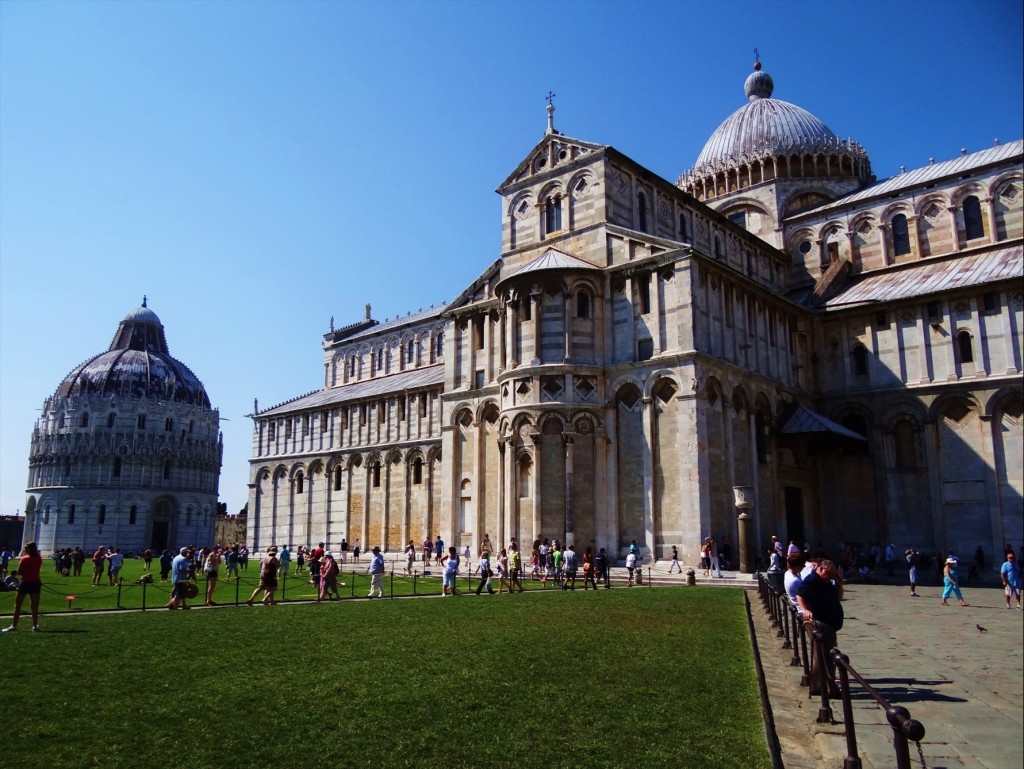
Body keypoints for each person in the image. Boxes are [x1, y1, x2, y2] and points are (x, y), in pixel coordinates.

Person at [796, 559, 844, 697]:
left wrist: (839, 584)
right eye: (828, 574)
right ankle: (826, 688)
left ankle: (818, 686)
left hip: (829, 624)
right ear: (821, 569)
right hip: (821, 623)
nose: (829, 577)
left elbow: (837, 598)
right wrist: (804, 609)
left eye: (832, 575)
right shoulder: (812, 579)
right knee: (825, 656)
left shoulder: (826, 582)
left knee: (822, 656)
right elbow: (800, 594)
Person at [2, 542, 43, 632]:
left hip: (26, 582)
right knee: (34, 606)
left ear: (30, 549)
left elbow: (19, 572)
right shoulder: (39, 558)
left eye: (26, 547)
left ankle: (14, 625)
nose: (24, 549)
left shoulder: (24, 558)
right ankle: (35, 626)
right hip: (36, 583)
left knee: (17, 605)